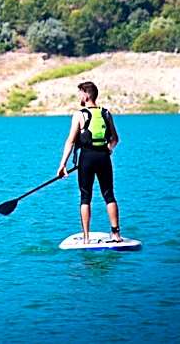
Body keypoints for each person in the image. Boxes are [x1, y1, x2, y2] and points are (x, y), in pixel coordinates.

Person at [56, 81, 122, 243]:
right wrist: (108, 150)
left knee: (85, 197)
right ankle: (115, 234)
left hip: (87, 159)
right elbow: (115, 139)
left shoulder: (79, 114)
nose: (78, 96)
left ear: (86, 95)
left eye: (80, 93)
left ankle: (86, 238)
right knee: (109, 195)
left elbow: (70, 142)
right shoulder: (106, 113)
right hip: (103, 157)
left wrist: (62, 165)